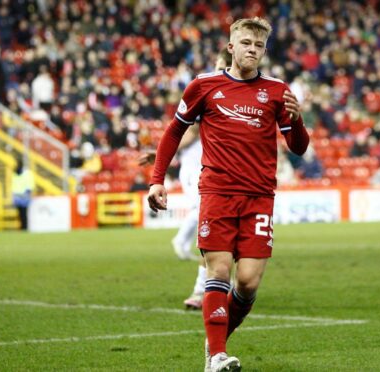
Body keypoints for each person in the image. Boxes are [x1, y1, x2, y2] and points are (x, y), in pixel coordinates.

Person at [147, 17, 309, 372]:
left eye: (258, 45)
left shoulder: (278, 91)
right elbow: (174, 131)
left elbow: (297, 147)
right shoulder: (204, 86)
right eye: (246, 42)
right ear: (231, 46)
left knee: (248, 283)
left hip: (259, 196)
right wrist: (157, 179)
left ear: (264, 52)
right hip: (217, 192)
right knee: (218, 269)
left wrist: (297, 121)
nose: (252, 49)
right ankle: (217, 356)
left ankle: (215, 339)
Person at [139, 48, 233, 311]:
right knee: (208, 219)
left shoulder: (226, 93)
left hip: (217, 170)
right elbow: (185, 129)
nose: (214, 67)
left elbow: (191, 132)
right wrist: (162, 155)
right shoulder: (211, 91)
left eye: (217, 64)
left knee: (222, 232)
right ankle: (201, 287)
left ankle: (215, 285)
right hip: (201, 169)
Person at [11, 158, 35, 230]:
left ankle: (24, 227)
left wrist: (28, 191)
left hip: (24, 195)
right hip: (18, 195)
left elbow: (30, 183)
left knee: (24, 213)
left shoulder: (26, 173)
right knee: (20, 213)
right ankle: (23, 227)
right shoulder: (15, 173)